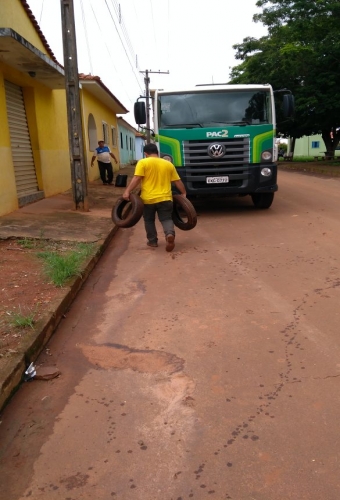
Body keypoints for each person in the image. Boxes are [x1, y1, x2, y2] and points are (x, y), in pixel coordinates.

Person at [122, 143, 186, 252]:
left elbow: (137, 178)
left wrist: (127, 191)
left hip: (148, 199)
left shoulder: (143, 162)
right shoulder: (168, 164)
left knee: (149, 220)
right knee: (166, 218)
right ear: (157, 152)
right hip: (165, 198)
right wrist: (183, 193)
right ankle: (169, 234)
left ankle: (152, 241)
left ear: (145, 153)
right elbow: (177, 181)